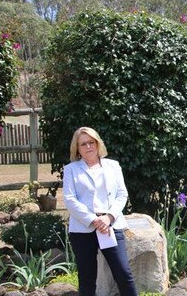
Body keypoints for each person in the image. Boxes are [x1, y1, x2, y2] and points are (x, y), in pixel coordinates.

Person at [63, 127, 138, 296]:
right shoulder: (71, 169)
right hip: (83, 228)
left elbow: (122, 194)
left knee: (123, 273)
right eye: (83, 144)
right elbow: (69, 199)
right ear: (77, 148)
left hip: (110, 225)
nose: (88, 146)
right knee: (87, 278)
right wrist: (94, 220)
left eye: (91, 142)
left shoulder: (113, 165)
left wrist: (108, 217)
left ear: (98, 143)